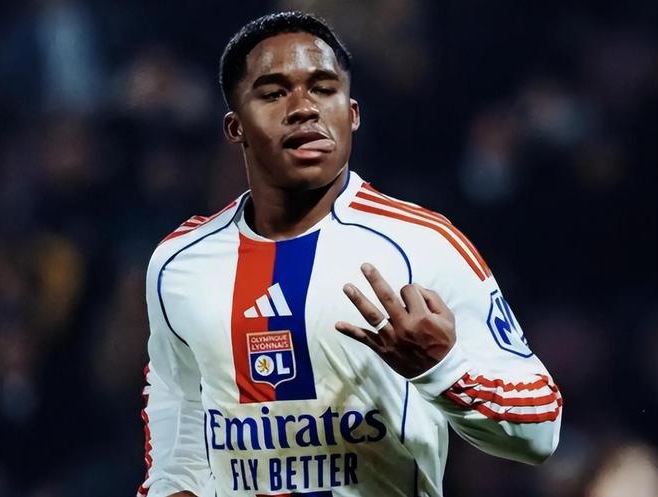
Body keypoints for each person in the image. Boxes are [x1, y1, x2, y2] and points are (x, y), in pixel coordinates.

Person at [137, 11, 562, 497]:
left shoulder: (421, 244)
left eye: (323, 89)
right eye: (274, 93)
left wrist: (442, 369)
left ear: (352, 114)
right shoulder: (179, 263)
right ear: (236, 128)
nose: (303, 108)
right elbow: (180, 418)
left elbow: (542, 430)